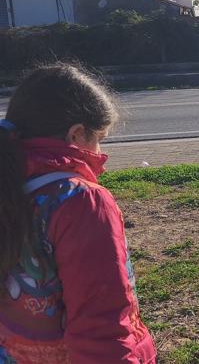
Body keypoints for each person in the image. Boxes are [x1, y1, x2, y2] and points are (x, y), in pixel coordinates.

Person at [0, 63, 156, 363]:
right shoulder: (80, 201)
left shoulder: (9, 182)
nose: (101, 157)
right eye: (100, 140)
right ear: (77, 133)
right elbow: (101, 328)